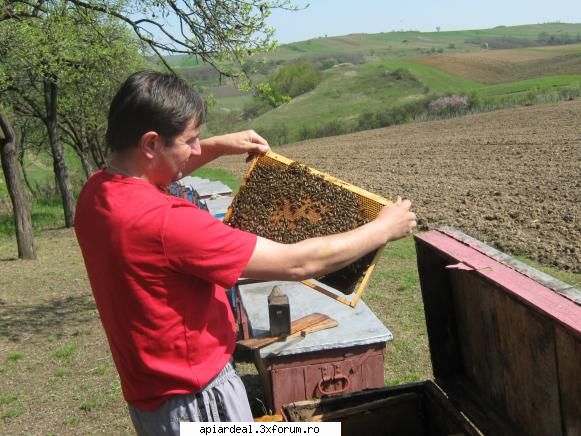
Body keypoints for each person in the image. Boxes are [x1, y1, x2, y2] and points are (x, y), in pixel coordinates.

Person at [74, 70, 416, 435]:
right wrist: (382, 228)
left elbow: (156, 170)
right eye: (191, 140)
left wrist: (219, 144)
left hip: (155, 400)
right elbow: (299, 262)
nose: (195, 150)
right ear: (151, 143)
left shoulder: (97, 193)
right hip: (198, 400)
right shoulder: (166, 222)